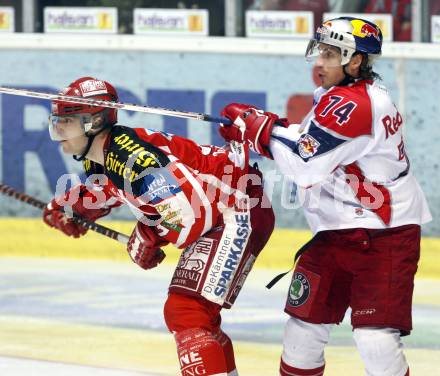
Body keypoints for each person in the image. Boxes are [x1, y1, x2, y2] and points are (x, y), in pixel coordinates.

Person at [219, 17, 432, 376]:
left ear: (355, 62)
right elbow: (309, 143)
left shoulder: (357, 105)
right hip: (336, 234)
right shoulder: (338, 97)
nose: (320, 61)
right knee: (302, 332)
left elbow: (306, 166)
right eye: (320, 50)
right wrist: (265, 131)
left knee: (375, 340)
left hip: (384, 236)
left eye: (331, 54)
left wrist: (262, 132)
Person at [42, 76, 275, 376]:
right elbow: (113, 187)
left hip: (237, 206)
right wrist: (73, 205)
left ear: (94, 121)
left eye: (67, 121)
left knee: (187, 311)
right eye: (57, 121)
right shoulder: (103, 153)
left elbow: (191, 216)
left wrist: (147, 234)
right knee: (195, 316)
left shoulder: (133, 158)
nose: (58, 129)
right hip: (226, 206)